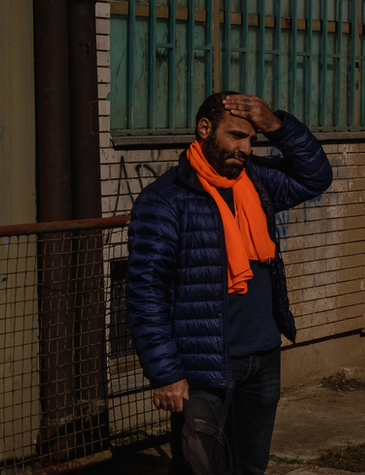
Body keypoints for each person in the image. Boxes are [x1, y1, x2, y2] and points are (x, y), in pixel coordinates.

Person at [126, 92, 333, 475]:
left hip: (263, 354)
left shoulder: (256, 182)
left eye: (252, 139)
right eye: (237, 135)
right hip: (205, 364)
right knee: (201, 469)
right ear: (205, 129)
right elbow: (145, 292)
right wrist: (166, 373)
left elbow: (316, 175)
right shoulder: (166, 199)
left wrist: (277, 126)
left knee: (250, 467)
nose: (246, 148)